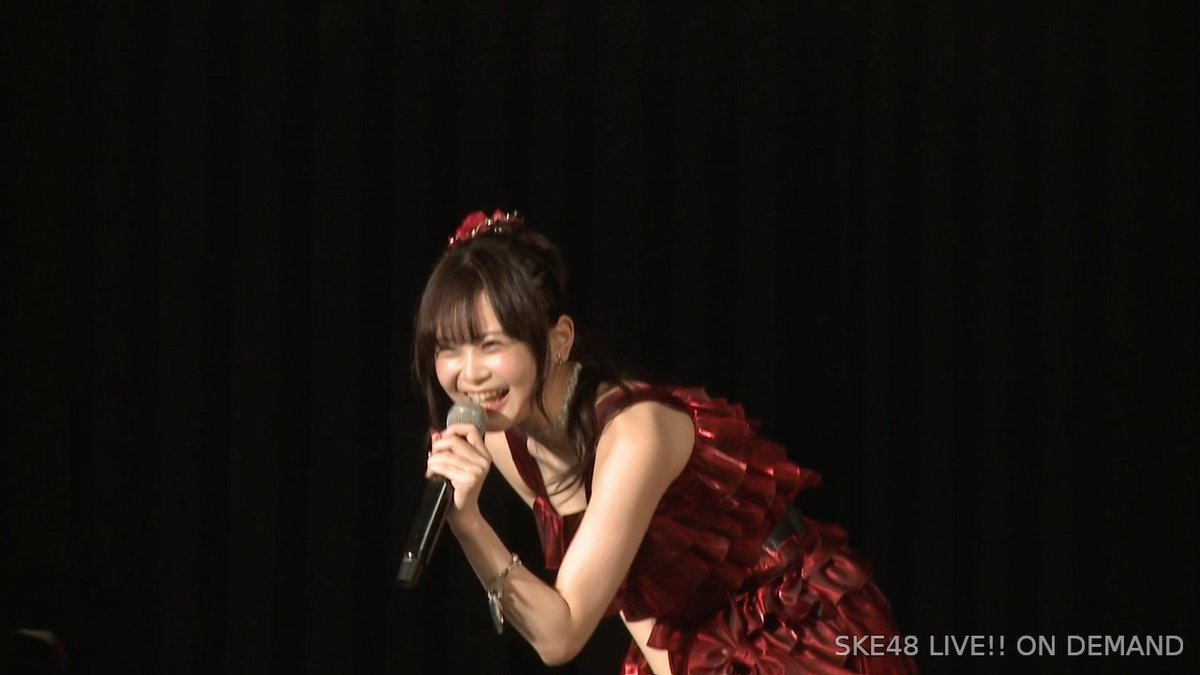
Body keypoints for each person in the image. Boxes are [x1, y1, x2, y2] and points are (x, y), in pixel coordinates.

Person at [414, 209, 918, 674]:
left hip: (795, 632)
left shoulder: (635, 434)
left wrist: (469, 524)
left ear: (559, 340)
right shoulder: (503, 439)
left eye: (491, 345)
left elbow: (560, 636)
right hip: (692, 643)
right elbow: (633, 593)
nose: (468, 374)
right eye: (448, 349)